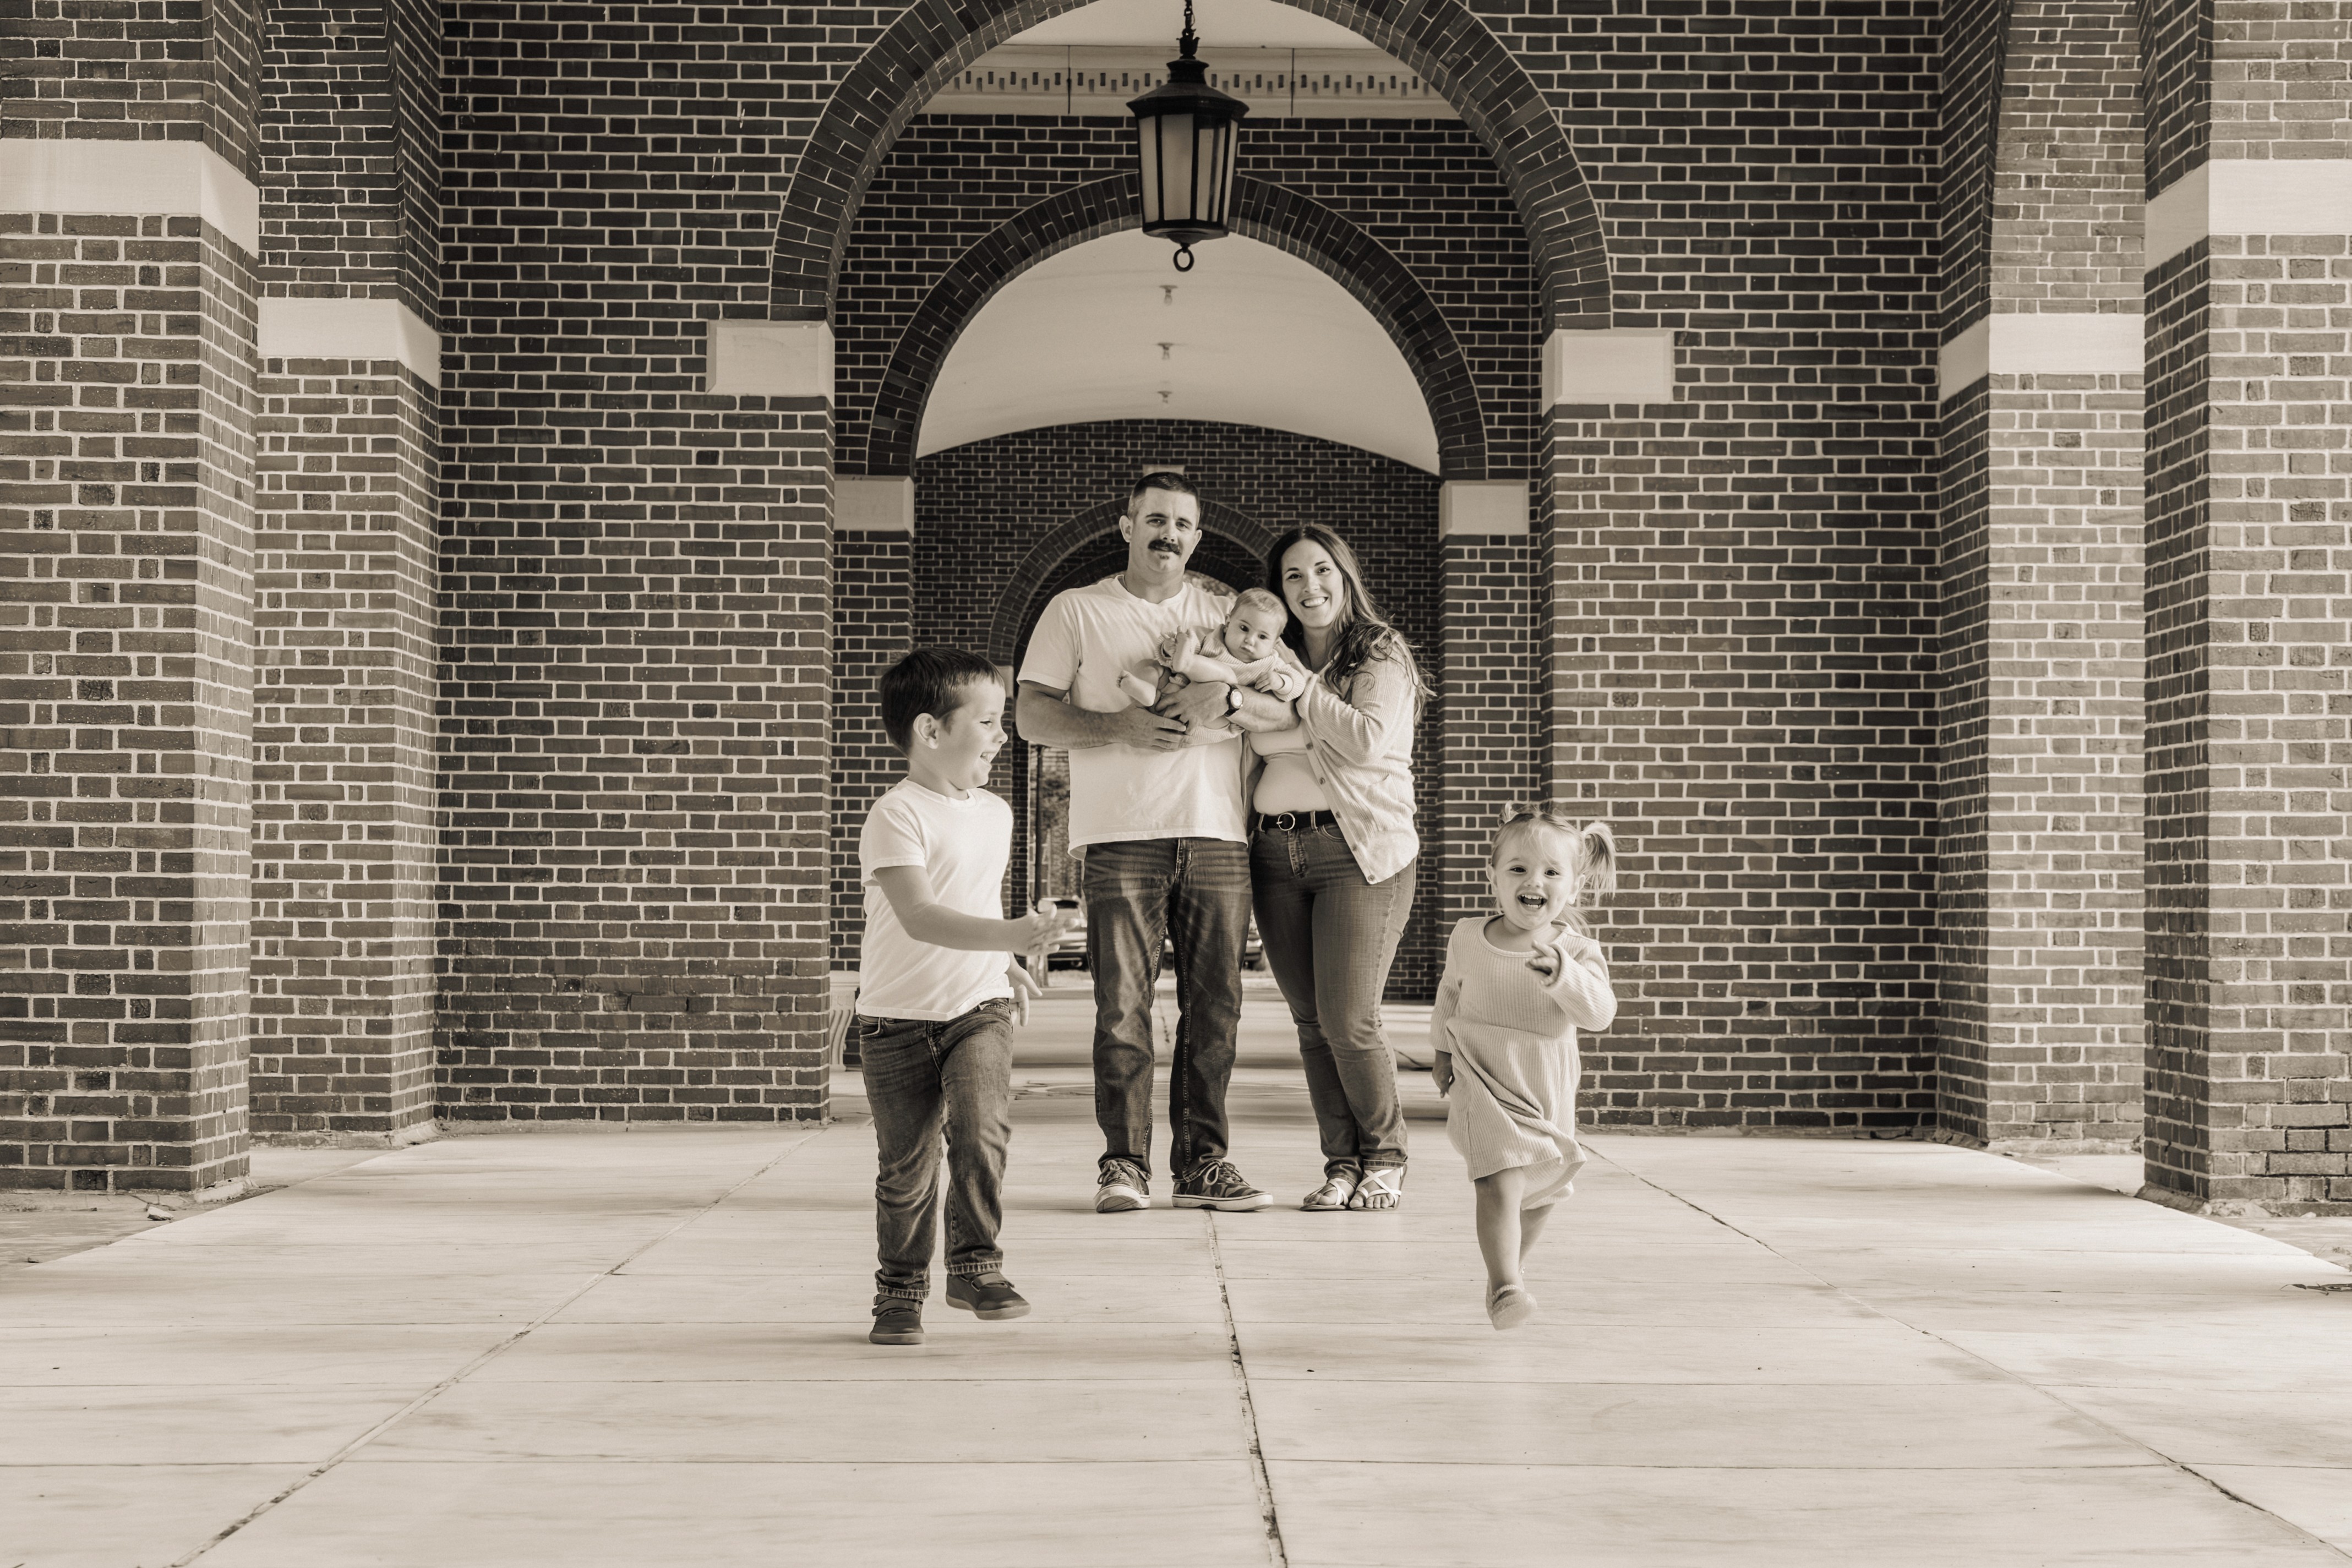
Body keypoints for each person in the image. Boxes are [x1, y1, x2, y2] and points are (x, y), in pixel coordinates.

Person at [1016, 473, 1296, 1214]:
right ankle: (1124, 1164)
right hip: (1120, 836)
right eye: (1155, 520)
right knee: (1121, 1009)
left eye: (1181, 523)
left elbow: (1287, 705)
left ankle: (1203, 1165)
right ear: (1127, 526)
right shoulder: (1076, 609)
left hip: (1215, 833)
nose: (1168, 534)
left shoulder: (1227, 614)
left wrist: (1228, 696)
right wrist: (1117, 725)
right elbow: (1031, 717)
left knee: (1217, 1009)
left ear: (1196, 537)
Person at [856, 647, 1083, 1346]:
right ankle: (899, 1291)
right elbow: (920, 915)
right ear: (930, 730)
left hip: (977, 1008)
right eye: (987, 721)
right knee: (907, 1170)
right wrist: (1009, 933)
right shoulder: (896, 814)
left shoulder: (995, 812)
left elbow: (975, 897)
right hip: (895, 1019)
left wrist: (1004, 959)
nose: (1001, 735)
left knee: (983, 1133)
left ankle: (975, 1264)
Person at [1248, 525, 1432, 1212]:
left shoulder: (1377, 652)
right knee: (1310, 1021)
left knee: (1349, 1018)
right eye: (1293, 575)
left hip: (1356, 852)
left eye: (1321, 569)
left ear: (1344, 575)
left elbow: (1365, 740)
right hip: (1274, 853)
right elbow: (1243, 728)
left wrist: (1300, 691)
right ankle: (1342, 1164)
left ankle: (1385, 1156)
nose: (1310, 586)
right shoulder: (1272, 653)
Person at [1429, 807, 1619, 1330]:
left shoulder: (1577, 950)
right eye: (1517, 868)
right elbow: (1449, 995)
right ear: (1492, 875)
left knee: (1544, 1192)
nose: (1534, 881)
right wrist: (1441, 1052)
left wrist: (1564, 975)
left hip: (1544, 1084)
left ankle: (1505, 1276)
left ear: (1574, 887)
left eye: (1551, 872)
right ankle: (1507, 1284)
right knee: (1499, 1177)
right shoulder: (1467, 935)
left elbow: (1599, 1014)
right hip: (1482, 1077)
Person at [1116, 586, 1310, 741]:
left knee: (1227, 678)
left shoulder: (1269, 663)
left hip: (1213, 722)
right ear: (1228, 623)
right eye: (1244, 628)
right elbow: (1173, 651)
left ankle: (1188, 663)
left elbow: (1298, 684)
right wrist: (1170, 648)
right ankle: (1148, 692)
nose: (1250, 640)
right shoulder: (1210, 639)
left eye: (1262, 637)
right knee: (1149, 666)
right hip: (1171, 692)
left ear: (1275, 643)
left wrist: (1281, 682)